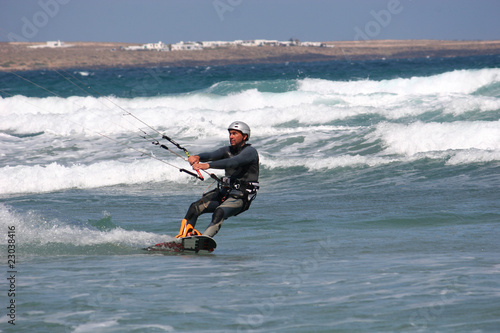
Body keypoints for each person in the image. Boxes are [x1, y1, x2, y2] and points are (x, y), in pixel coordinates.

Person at [175, 121, 259, 238]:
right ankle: (184, 236)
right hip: (224, 193)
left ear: (244, 136)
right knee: (194, 207)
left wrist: (207, 165)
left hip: (240, 197)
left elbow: (233, 162)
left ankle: (204, 240)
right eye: (230, 133)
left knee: (219, 212)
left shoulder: (250, 152)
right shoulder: (227, 150)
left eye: (234, 133)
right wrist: (197, 157)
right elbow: (210, 155)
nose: (231, 136)